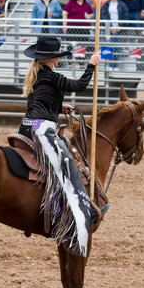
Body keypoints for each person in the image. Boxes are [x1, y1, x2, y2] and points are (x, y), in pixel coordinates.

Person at [18, 36, 104, 258]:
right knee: (66, 169)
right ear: (52, 58)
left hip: (28, 126)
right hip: (42, 130)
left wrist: (58, 106)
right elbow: (80, 86)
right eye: (57, 56)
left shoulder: (39, 77)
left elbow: (39, 103)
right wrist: (91, 65)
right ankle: (75, 213)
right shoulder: (51, 77)